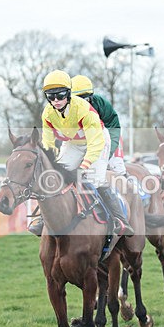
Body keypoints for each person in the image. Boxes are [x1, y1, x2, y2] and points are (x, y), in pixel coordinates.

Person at [29, 69, 133, 237]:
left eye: (60, 95)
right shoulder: (47, 113)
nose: (56, 100)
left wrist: (84, 166)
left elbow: (95, 143)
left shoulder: (83, 108)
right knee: (55, 177)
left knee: (94, 180)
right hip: (73, 143)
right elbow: (48, 144)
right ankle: (42, 218)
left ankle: (120, 219)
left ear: (69, 94)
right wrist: (50, 164)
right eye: (51, 96)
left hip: (98, 140)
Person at [70, 74, 127, 176]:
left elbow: (113, 129)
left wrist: (104, 157)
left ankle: (128, 186)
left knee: (117, 167)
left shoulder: (101, 104)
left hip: (110, 137)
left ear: (91, 96)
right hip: (86, 141)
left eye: (86, 100)